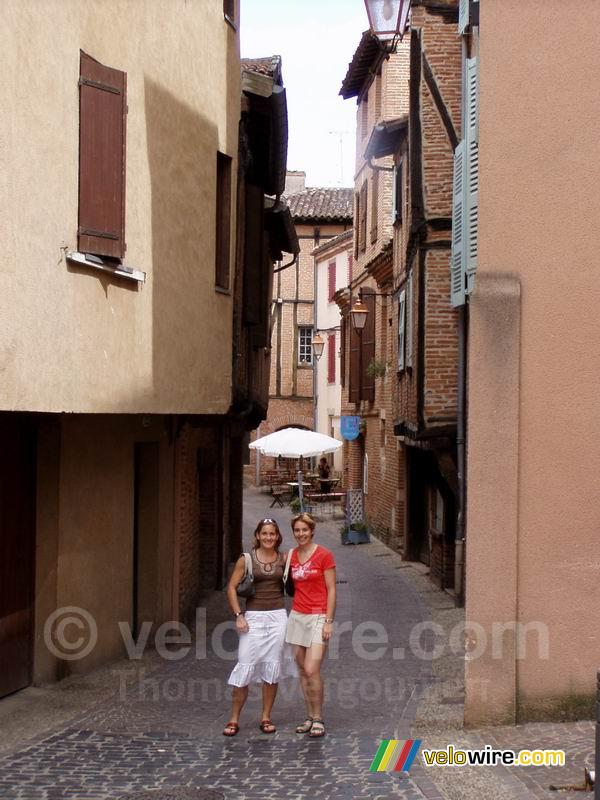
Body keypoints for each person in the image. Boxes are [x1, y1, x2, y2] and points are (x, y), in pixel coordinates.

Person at [224, 518, 297, 736]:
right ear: (257, 535)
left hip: (277, 617)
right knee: (245, 664)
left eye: (272, 534)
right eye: (264, 533)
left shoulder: (284, 559)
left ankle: (266, 716)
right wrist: (238, 615)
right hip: (253, 617)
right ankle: (234, 718)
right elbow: (231, 587)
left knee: (272, 667)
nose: (268, 537)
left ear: (277, 537)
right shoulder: (246, 559)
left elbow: (297, 584)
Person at [285, 512, 336, 738]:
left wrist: (328, 621)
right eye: (297, 530)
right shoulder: (291, 556)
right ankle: (308, 716)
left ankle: (318, 717)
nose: (301, 534)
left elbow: (332, 589)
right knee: (302, 672)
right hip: (297, 616)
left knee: (312, 669)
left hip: (318, 616)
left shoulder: (324, 555)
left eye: (304, 530)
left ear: (312, 531)